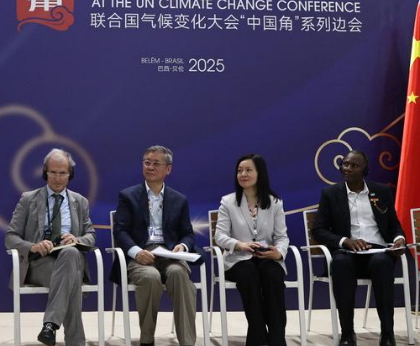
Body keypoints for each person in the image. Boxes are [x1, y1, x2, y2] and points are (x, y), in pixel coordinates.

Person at [312, 150, 406, 346]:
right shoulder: (330, 194)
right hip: (347, 252)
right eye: (345, 164)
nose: (347, 168)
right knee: (340, 263)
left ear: (365, 170)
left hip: (377, 251)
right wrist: (345, 241)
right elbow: (318, 230)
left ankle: (387, 333)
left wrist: (399, 239)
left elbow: (394, 225)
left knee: (382, 263)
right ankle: (347, 334)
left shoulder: (381, 191)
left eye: (354, 165)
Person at [5, 148, 96, 346]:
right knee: (71, 280)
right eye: (52, 172)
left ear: (70, 174)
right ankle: (71, 339)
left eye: (62, 173)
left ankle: (50, 326)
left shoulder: (80, 202)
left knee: (71, 253)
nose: (57, 178)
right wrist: (33, 246)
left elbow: (91, 236)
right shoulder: (28, 199)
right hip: (39, 264)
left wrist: (77, 239)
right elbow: (10, 237)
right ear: (45, 172)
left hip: (70, 259)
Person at [112, 145, 197, 346]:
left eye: (156, 163)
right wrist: (136, 252)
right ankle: (147, 340)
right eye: (147, 163)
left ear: (168, 169)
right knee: (150, 277)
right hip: (141, 254)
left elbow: (188, 234)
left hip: (169, 254)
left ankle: (187, 342)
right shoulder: (128, 196)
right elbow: (120, 231)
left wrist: (182, 246)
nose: (150, 167)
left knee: (179, 274)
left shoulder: (179, 200)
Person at [215, 154, 289, 346]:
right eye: (240, 171)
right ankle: (257, 332)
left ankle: (277, 337)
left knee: (273, 275)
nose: (243, 174)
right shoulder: (228, 202)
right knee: (248, 273)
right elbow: (220, 236)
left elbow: (282, 237)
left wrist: (278, 253)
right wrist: (240, 245)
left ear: (260, 173)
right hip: (238, 258)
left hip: (266, 257)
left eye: (248, 170)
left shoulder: (275, 202)